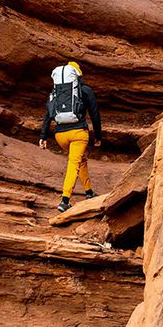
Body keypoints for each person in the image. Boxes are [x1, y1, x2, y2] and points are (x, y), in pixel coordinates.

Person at [39, 61, 102, 213]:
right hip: (78, 133)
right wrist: (98, 136)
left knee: (80, 160)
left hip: (60, 135)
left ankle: (89, 192)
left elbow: (48, 114)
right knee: (74, 163)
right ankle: (65, 200)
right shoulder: (85, 90)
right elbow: (95, 114)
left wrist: (43, 136)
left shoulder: (56, 92)